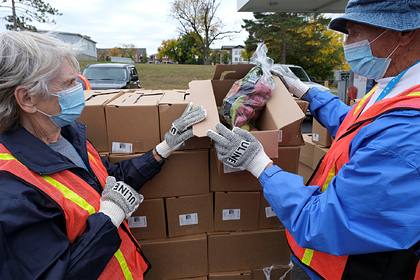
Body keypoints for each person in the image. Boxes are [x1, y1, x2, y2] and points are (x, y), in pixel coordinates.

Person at [207, 0, 420, 279]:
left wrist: (260, 165)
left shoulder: (408, 135)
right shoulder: (393, 87)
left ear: (404, 33)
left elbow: (322, 222)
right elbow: (357, 128)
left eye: (356, 32)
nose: (348, 44)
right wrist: (308, 92)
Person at [0, 31, 206, 279]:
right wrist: (109, 218)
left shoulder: (67, 135)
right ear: (27, 98)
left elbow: (107, 179)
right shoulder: (11, 189)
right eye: (67, 84)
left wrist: (164, 148)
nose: (80, 89)